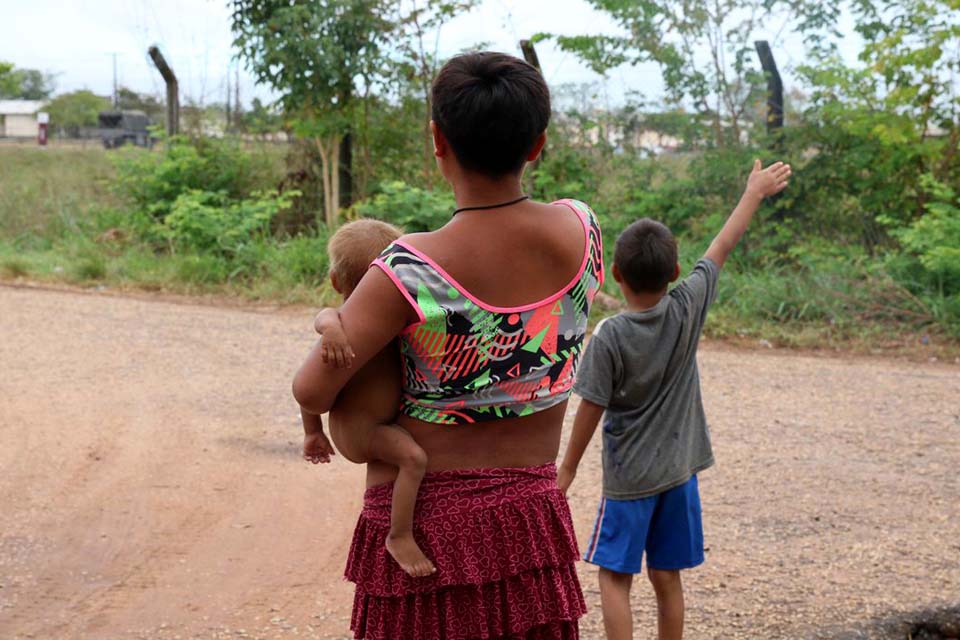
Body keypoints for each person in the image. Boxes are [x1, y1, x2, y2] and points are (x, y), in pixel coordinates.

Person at [292, 51, 604, 639]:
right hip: (529, 525)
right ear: (537, 145)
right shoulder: (583, 230)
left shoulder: (409, 271)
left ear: (438, 140)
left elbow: (313, 387)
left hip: (426, 533)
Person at [556, 159, 792, 640]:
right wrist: (753, 191)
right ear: (676, 271)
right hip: (679, 475)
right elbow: (723, 244)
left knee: (615, 577)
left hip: (629, 481)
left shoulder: (610, 336)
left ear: (615, 274)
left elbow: (591, 408)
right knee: (667, 577)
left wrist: (568, 469)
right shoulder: (688, 306)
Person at [301, 218, 436, 578]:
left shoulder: (395, 318)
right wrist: (330, 329)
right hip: (362, 431)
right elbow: (323, 320)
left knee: (413, 454)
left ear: (335, 280)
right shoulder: (341, 324)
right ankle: (400, 534)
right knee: (414, 459)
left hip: (372, 423)